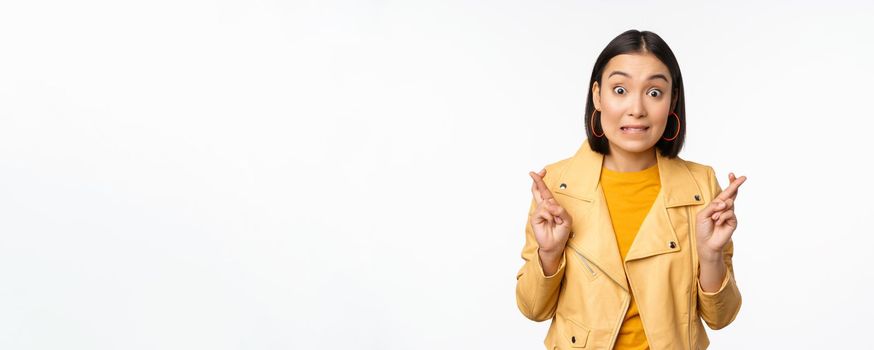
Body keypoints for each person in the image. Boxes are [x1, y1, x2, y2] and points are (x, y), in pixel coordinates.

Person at [515, 29, 747, 350]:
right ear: (598, 96)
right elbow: (532, 309)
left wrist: (710, 256)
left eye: (654, 92)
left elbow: (721, 317)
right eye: (620, 89)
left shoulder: (701, 185)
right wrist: (549, 254)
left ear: (672, 100)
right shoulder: (556, 185)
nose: (636, 108)